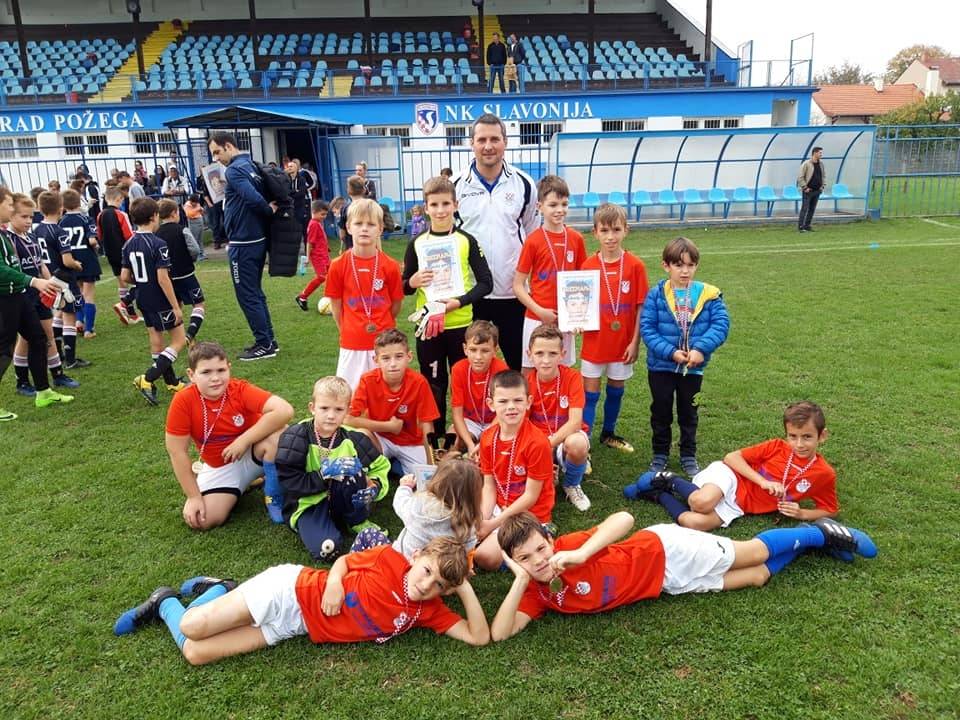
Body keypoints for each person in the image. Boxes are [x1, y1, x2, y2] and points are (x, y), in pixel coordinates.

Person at [490, 510, 877, 641]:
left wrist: (582, 553)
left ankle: (820, 533)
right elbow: (500, 633)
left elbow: (624, 518)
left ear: (550, 540)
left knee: (753, 552)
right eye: (525, 559)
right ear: (514, 563)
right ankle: (810, 544)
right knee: (757, 576)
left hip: (665, 549)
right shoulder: (534, 594)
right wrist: (521, 580)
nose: (539, 560)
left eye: (541, 548)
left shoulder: (569, 547)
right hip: (666, 584)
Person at [112, 535, 489, 665]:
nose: (426, 584)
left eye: (439, 584)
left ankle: (164, 600)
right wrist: (334, 583)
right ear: (417, 556)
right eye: (427, 571)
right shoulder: (389, 559)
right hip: (291, 591)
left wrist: (463, 587)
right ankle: (218, 590)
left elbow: (478, 637)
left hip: (294, 626)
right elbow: (344, 561)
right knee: (192, 626)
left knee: (196, 653)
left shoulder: (428, 611)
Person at [627, 401, 840, 532]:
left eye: (807, 437)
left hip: (740, 505)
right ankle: (668, 479)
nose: (799, 444)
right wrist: (763, 482)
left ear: (822, 436)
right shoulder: (776, 447)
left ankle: (657, 495)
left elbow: (830, 510)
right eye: (793, 436)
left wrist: (801, 513)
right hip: (731, 477)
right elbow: (731, 458)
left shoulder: (824, 473)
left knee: (694, 522)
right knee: (701, 503)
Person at [164, 341, 294, 529]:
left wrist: (243, 441)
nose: (215, 378)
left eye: (221, 370)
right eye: (206, 372)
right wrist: (193, 497)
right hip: (220, 466)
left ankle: (273, 496)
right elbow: (177, 451)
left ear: (229, 368)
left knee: (281, 435)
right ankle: (249, 482)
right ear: (192, 375)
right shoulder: (183, 401)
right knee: (201, 519)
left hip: (254, 453)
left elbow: (284, 410)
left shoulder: (239, 389)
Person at [402, 176, 493, 447]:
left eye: (445, 204)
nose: (440, 210)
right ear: (425, 208)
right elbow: (405, 287)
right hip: (429, 326)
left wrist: (458, 302)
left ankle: (461, 433)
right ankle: (436, 437)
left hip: (461, 326)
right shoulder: (417, 243)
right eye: (434, 204)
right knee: (433, 382)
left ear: (456, 204)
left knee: (462, 382)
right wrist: (412, 281)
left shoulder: (466, 240)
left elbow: (486, 283)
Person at [454, 114, 539, 370]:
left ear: (505, 142)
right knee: (472, 366)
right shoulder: (455, 185)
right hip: (470, 293)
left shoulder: (524, 184)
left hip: (513, 293)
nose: (488, 146)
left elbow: (532, 234)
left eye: (494, 139)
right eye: (481, 140)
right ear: (471, 143)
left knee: (518, 366)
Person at [640, 237, 729, 476]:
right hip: (661, 367)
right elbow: (648, 329)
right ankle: (660, 454)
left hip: (693, 368)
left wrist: (700, 349)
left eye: (690, 265)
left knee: (689, 413)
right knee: (661, 411)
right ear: (666, 266)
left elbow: (721, 324)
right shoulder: (657, 294)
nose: (685, 271)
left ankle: (688, 455)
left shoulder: (708, 294)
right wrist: (670, 352)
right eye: (678, 265)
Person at [275, 376, 390, 560]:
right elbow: (289, 480)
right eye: (324, 408)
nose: (331, 415)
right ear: (312, 408)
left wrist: (375, 486)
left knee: (351, 470)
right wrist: (322, 475)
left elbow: (380, 467)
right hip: (309, 503)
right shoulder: (295, 437)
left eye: (338, 409)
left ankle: (356, 520)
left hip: (345, 499)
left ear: (347, 411)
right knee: (327, 549)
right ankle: (320, 526)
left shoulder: (354, 438)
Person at [0, 187, 73, 420]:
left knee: (38, 338)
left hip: (18, 295)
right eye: (8, 204)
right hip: (4, 298)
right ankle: (23, 381)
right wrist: (33, 281)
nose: (11, 208)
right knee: (4, 350)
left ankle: (43, 391)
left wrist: (46, 282)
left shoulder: (5, 235)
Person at [580, 203, 648, 453]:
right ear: (595, 232)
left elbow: (641, 307)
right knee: (590, 393)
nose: (610, 237)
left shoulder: (635, 266)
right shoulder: (587, 266)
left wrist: (635, 342)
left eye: (616, 230)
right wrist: (576, 321)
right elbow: (579, 303)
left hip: (623, 343)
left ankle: (608, 433)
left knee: (616, 389)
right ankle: (584, 439)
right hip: (594, 341)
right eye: (605, 230)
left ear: (626, 230)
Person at [208, 132, 278, 361]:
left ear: (229, 146)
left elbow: (253, 198)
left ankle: (264, 344)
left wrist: (267, 210)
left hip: (244, 242)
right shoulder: (250, 165)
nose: (216, 158)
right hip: (255, 239)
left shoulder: (234, 170)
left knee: (247, 295)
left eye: (217, 152)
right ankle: (269, 340)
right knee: (255, 292)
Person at [474, 369, 554, 571]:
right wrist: (483, 520)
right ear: (491, 404)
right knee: (461, 527)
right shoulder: (487, 438)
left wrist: (493, 525)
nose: (511, 407)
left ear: (528, 402)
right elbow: (489, 485)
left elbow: (531, 496)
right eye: (503, 401)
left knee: (484, 558)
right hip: (499, 507)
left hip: (529, 513)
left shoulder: (537, 442)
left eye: (518, 400)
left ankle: (540, 535)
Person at [324, 199, 403, 389]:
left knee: (385, 393)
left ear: (380, 229)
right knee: (350, 395)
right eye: (358, 223)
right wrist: (348, 329)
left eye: (371, 224)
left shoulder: (390, 266)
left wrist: (382, 324)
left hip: (385, 344)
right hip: (352, 343)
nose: (364, 229)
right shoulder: (338, 265)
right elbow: (336, 307)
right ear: (349, 227)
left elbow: (395, 305)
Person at [513, 175, 586, 371]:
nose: (560, 210)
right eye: (553, 205)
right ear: (539, 206)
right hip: (537, 316)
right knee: (530, 369)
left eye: (564, 204)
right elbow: (518, 286)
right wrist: (540, 311)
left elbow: (583, 282)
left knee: (562, 369)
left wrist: (577, 317)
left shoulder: (576, 239)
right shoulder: (533, 240)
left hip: (566, 318)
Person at [346, 328, 440, 475]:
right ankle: (385, 463)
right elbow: (348, 419)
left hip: (410, 442)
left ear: (409, 357)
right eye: (386, 358)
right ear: (376, 360)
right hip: (380, 438)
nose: (393, 364)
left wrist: (431, 463)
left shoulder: (419, 382)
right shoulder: (367, 380)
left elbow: (427, 424)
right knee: (360, 436)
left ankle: (393, 465)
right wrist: (388, 427)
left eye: (399, 356)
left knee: (424, 476)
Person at [123, 198, 190, 405]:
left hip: (143, 297)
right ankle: (147, 378)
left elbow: (125, 276)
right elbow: (163, 279)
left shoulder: (128, 243)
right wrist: (175, 306)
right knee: (179, 340)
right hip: (160, 298)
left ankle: (171, 382)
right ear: (154, 216)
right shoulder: (158, 244)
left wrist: (142, 281)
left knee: (156, 340)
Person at [351, 454, 483, 558]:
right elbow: (467, 552)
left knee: (368, 534)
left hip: (400, 565)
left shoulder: (422, 506)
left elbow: (400, 504)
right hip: (434, 577)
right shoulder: (469, 524)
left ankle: (351, 568)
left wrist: (405, 487)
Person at [524, 324, 591, 512]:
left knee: (577, 443)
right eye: (539, 353)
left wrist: (549, 444)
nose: (546, 360)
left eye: (552, 354)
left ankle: (571, 484)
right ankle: (547, 473)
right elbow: (522, 424)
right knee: (538, 489)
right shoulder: (526, 382)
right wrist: (539, 448)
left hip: (563, 438)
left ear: (562, 354)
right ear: (529, 354)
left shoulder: (572, 377)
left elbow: (575, 422)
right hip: (537, 441)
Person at [36, 192, 89, 370]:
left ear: (40, 209)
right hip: (64, 279)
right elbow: (67, 260)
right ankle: (71, 359)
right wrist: (76, 264)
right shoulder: (59, 232)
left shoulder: (37, 230)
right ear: (61, 208)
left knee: (59, 312)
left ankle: (58, 353)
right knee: (69, 316)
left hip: (48, 277)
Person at [450, 320, 508, 457]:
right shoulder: (458, 369)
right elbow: (457, 414)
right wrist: (470, 444)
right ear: (465, 349)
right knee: (452, 440)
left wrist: (484, 439)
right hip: (470, 421)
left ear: (495, 350)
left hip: (496, 421)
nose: (478, 357)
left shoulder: (501, 370)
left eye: (485, 351)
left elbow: (503, 410)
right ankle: (449, 468)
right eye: (473, 350)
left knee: (499, 445)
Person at [156, 199, 206, 346]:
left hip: (168, 277)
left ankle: (178, 337)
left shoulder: (156, 233)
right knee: (199, 304)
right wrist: (190, 259)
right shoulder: (182, 229)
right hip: (186, 274)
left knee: (176, 305)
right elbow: (195, 249)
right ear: (173, 213)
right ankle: (190, 335)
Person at [96, 185, 140, 326]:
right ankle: (124, 304)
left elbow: (99, 235)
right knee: (140, 280)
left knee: (122, 282)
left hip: (110, 253)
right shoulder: (121, 214)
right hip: (125, 252)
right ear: (119, 199)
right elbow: (129, 236)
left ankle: (130, 315)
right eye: (121, 200)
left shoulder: (100, 215)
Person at [59, 190, 100, 339]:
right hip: (87, 259)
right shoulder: (86, 219)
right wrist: (96, 246)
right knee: (88, 295)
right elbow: (92, 241)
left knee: (78, 291)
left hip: (71, 259)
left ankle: (78, 321)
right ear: (79, 203)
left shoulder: (61, 222)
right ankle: (89, 330)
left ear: (63, 205)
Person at [295, 200, 331, 311]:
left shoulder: (317, 222)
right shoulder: (314, 224)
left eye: (325, 214)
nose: (324, 217)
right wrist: (307, 257)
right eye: (322, 214)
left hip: (324, 255)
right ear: (314, 212)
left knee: (332, 275)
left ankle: (333, 298)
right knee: (322, 277)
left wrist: (326, 248)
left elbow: (320, 239)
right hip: (318, 257)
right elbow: (310, 242)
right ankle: (302, 297)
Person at [798, 146, 826, 232]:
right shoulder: (806, 164)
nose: (821, 154)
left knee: (812, 209)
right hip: (808, 191)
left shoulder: (821, 164)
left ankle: (807, 225)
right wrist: (805, 187)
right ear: (815, 153)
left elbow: (823, 176)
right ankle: (801, 227)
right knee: (805, 209)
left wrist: (822, 186)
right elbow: (800, 177)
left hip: (817, 191)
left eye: (821, 153)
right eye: (820, 153)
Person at [286, 159, 314, 245]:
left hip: (302, 205)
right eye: (288, 166)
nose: (289, 168)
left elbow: (302, 192)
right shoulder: (286, 179)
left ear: (296, 167)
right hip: (290, 207)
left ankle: (306, 247)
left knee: (304, 228)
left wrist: (305, 190)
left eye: (291, 166)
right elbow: (285, 191)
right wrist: (294, 191)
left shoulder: (302, 177)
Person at [337, 175, 367, 253]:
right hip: (368, 246)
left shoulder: (344, 208)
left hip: (351, 246)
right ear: (364, 190)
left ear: (348, 190)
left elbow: (342, 234)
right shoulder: (370, 206)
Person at [183, 193, 206, 260]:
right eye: (194, 202)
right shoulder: (187, 205)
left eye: (196, 202)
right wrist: (198, 209)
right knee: (195, 239)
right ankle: (197, 255)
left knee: (200, 239)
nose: (196, 204)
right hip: (193, 222)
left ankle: (202, 253)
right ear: (191, 201)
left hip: (200, 220)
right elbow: (188, 214)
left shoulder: (197, 204)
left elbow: (201, 211)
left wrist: (201, 210)